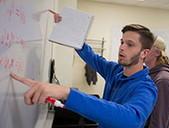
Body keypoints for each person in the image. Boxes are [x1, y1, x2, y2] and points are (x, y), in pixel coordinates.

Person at [10, 24, 157, 128]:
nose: (122, 47)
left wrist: (66, 93)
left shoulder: (146, 88)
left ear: (144, 53)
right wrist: (67, 27)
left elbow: (131, 120)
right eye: (122, 42)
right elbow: (91, 57)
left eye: (129, 44)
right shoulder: (116, 70)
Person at [144, 36, 169, 128]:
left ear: (157, 52)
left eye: (147, 48)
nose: (142, 51)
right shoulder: (150, 74)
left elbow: (159, 123)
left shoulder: (164, 80)